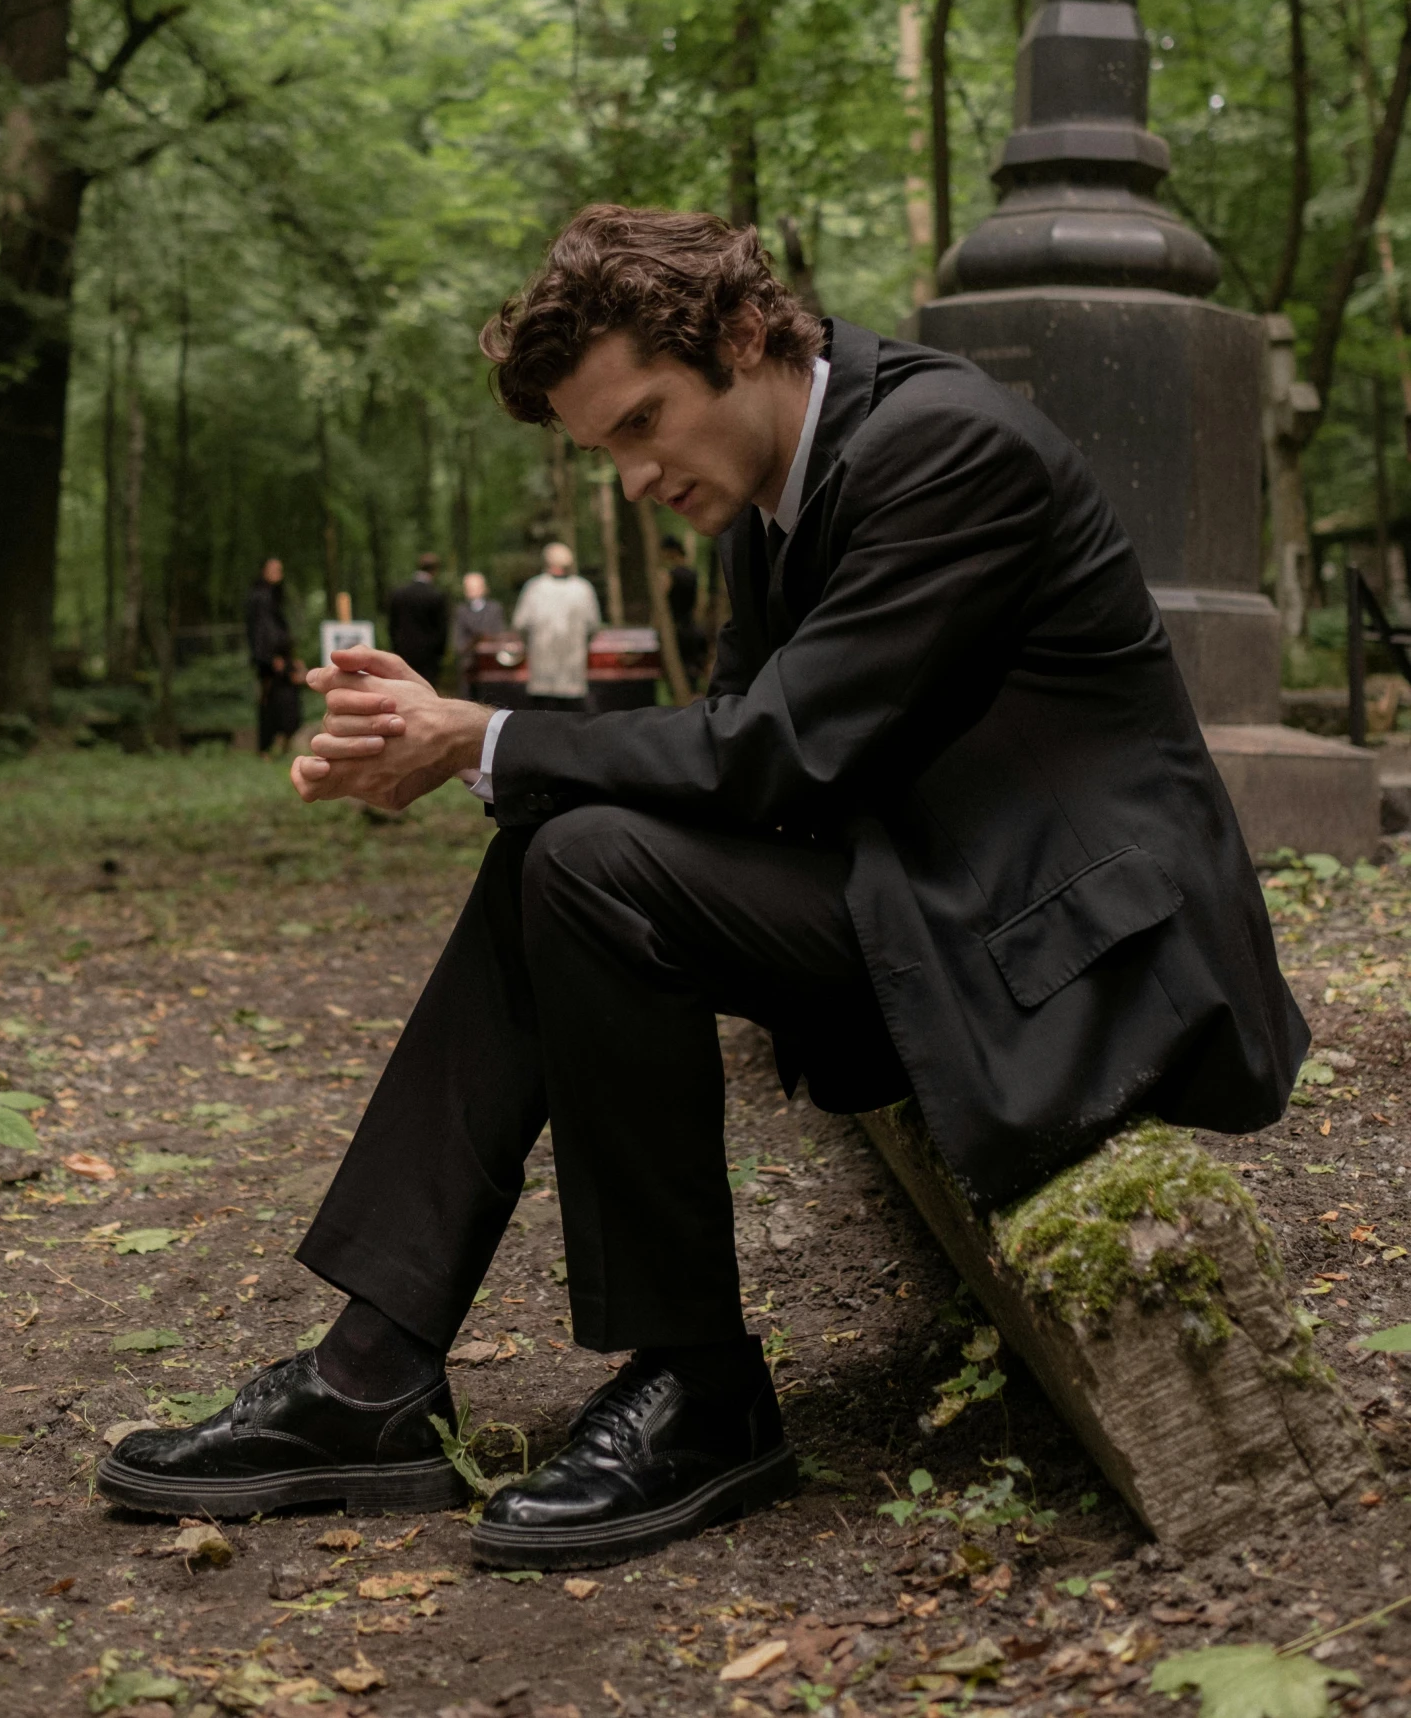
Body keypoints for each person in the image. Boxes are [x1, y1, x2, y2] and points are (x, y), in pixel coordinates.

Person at [100, 204, 1306, 1576]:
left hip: (1080, 958)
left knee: (591, 860)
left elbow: (775, 748)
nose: (629, 473)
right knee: (565, 852)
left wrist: (481, 737)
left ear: (742, 334)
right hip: (933, 902)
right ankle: (376, 1367)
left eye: (639, 422)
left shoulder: (940, 445)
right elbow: (737, 765)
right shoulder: (769, 502)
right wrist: (449, 745)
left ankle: (692, 1384)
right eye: (601, 445)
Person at [511, 542, 601, 712]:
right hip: (573, 675)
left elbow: (520, 624)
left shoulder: (534, 588)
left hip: (542, 675)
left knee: (543, 724)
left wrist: (530, 646)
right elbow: (593, 626)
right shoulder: (583, 589)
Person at [244, 557, 300, 758]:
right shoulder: (260, 597)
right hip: (270, 663)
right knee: (271, 706)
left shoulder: (273, 596)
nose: (278, 573)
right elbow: (261, 632)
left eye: (280, 569)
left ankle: (278, 747)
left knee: (287, 705)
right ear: (264, 571)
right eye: (274, 569)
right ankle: (265, 750)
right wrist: (270, 658)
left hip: (281, 661)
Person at [386, 553, 449, 688]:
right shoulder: (436, 595)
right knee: (427, 690)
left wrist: (395, 646)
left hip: (403, 652)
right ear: (435, 570)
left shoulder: (398, 593)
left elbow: (392, 625)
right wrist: (440, 654)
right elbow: (442, 629)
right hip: (429, 656)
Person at [659, 531, 707, 687]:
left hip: (676, 627)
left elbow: (663, 600)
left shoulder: (670, 575)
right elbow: (699, 602)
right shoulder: (693, 574)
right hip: (691, 625)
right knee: (692, 667)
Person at [453, 571, 507, 698]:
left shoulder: (495, 609)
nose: (472, 591)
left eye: (476, 587)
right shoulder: (460, 611)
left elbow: (500, 634)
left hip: (491, 664)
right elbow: (458, 640)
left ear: (484, 588)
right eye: (469, 588)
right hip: (469, 664)